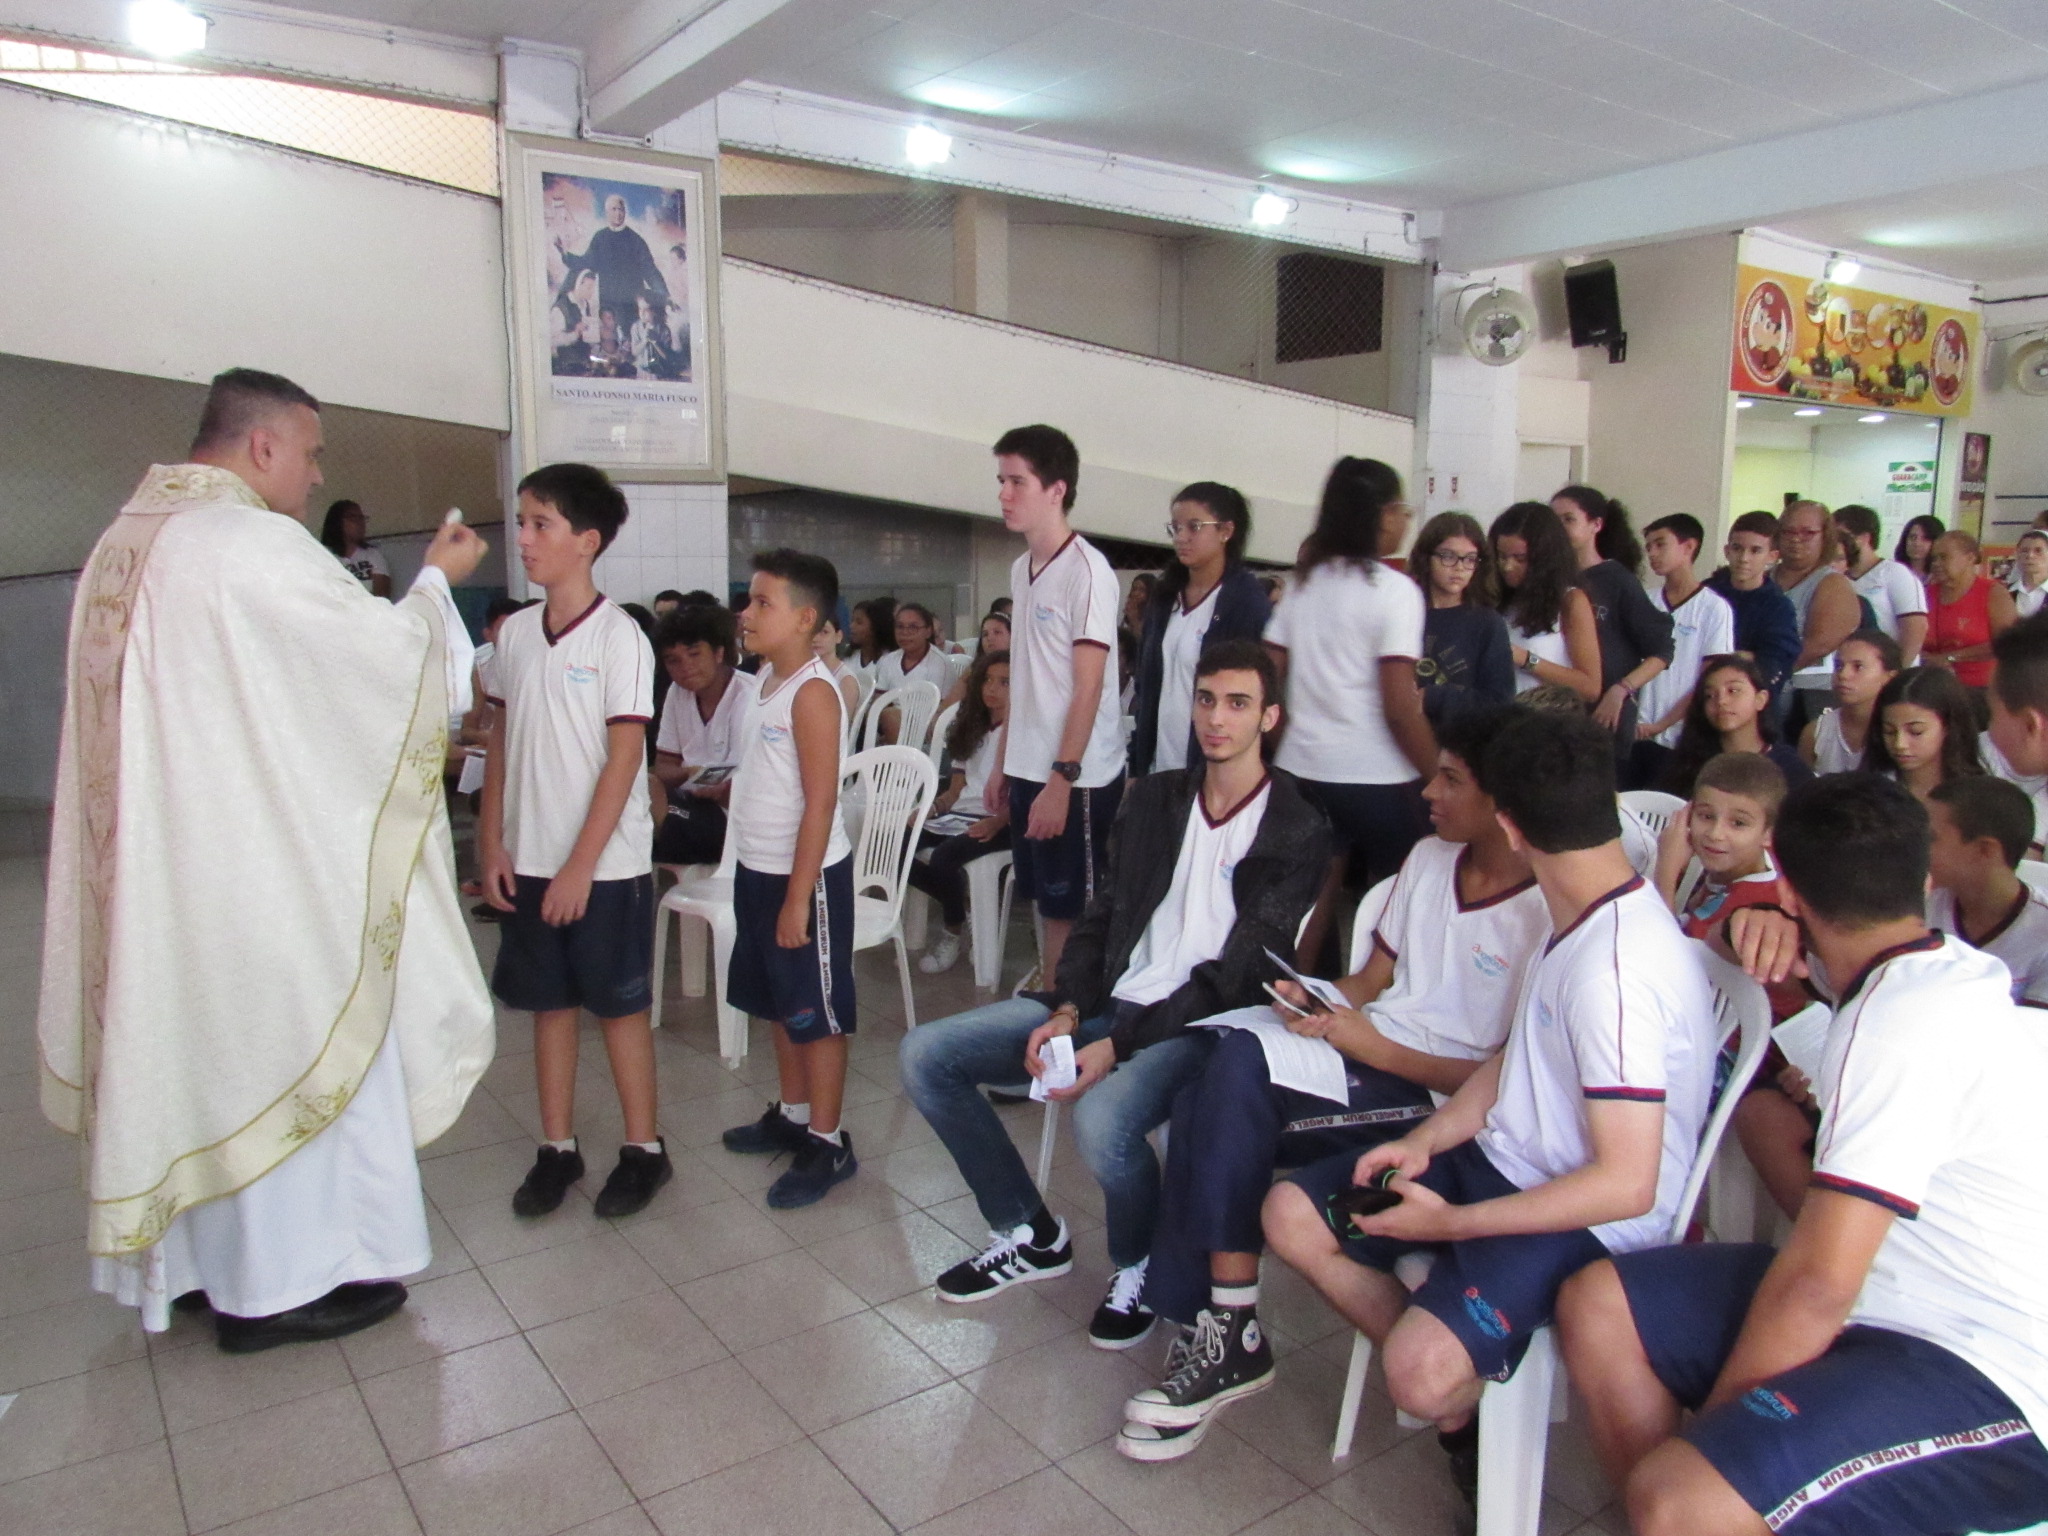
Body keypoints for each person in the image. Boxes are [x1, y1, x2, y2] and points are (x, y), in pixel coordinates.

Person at [41, 367, 495, 1349]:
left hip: (165, 883)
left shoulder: (124, 545)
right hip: (251, 881)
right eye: (311, 451)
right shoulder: (245, 545)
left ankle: (208, 1272)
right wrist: (436, 583)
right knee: (292, 1043)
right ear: (262, 447)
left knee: (196, 1062)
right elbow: (379, 669)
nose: (313, 472)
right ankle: (279, 1290)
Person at [1554, 773, 2048, 1536]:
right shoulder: (1926, 960)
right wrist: (1747, 930)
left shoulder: (1898, 1023)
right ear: (1922, 879)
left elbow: (1819, 1287)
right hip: (1886, 1302)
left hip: (1983, 1366)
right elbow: (1753, 946)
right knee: (1601, 1304)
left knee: (1680, 1494)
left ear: (1784, 888)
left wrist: (1723, 1437)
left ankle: (1695, 1511)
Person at [1261, 708, 1715, 1500]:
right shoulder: (1580, 907)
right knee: (1290, 1214)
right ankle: (1464, 1370)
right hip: (1501, 1158)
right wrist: (1429, 1141)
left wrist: (1452, 1225)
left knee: (1416, 1373)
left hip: (1586, 1214)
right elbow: (1516, 1062)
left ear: (1506, 823)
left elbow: (1626, 1185)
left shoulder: (1616, 970)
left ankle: (1454, 1383)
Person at [1118, 706, 1548, 1461]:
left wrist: (1368, 1039)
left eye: (1451, 780)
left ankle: (1222, 1323)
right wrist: (1320, 1002)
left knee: (1210, 1104)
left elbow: (1503, 1080)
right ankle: (1224, 1319)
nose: (1429, 792)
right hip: (1369, 1054)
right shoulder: (1427, 860)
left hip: (1438, 1105)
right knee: (1230, 1061)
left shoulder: (1545, 909)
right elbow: (1373, 977)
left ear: (1501, 801)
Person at [902, 640, 1329, 1345]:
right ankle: (1031, 1233)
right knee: (927, 1054)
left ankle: (1137, 1261)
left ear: (1270, 717)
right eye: (1207, 700)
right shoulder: (1158, 799)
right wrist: (1069, 1008)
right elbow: (1103, 916)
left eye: (1238, 704)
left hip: (1205, 1025)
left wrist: (1112, 1046)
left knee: (1101, 1122)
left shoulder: (1296, 829)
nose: (1216, 719)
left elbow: (1240, 973)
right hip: (1110, 999)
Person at [480, 466, 668, 1222]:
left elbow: (625, 759)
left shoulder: (622, 639)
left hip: (607, 869)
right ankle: (556, 1148)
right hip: (528, 862)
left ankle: (644, 1150)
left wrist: (580, 867)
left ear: (586, 542)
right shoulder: (517, 635)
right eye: (520, 522)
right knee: (547, 1008)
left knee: (619, 1012)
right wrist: (492, 843)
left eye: (540, 525)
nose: (522, 538)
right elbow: (498, 742)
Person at [716, 550, 861, 1209]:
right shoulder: (762, 681)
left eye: (761, 603)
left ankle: (829, 1142)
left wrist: (800, 897)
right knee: (779, 1001)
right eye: (748, 601)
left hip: (806, 881)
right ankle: (795, 1114)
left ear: (807, 619)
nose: (745, 614)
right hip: (759, 869)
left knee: (818, 1014)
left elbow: (821, 801)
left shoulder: (812, 693)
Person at [1265, 458, 1437, 964]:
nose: (1406, 522)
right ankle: (1384, 1020)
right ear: (1382, 516)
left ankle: (1295, 1011)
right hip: (1379, 777)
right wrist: (1437, 776)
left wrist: (1290, 741)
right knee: (1405, 905)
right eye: (1402, 509)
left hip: (1301, 770)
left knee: (1309, 906)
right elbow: (1400, 707)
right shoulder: (1396, 591)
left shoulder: (1303, 585)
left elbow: (1267, 675)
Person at [987, 425, 1129, 988]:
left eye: (1017, 481)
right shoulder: (1021, 571)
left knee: (1079, 915)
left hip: (1077, 777)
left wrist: (1061, 779)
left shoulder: (1088, 571)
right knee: (1049, 907)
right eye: (1000, 480)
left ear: (1056, 490)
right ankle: (1052, 1020)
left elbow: (1089, 686)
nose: (1003, 493)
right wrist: (1005, 759)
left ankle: (1070, 1037)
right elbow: (1024, 676)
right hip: (1030, 767)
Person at [1129, 482, 1272, 776]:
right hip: (1158, 768)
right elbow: (1147, 687)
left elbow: (1251, 695)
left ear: (1225, 531)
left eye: (1194, 527)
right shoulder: (1165, 598)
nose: (1181, 537)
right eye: (1175, 528)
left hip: (1211, 771)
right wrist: (1137, 764)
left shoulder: (1244, 602)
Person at [1552, 487, 1674, 766]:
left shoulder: (1617, 580)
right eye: (1553, 521)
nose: (1559, 529)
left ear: (1596, 525)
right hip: (1558, 715)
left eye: (1568, 520)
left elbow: (1662, 648)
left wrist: (1621, 689)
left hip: (1603, 719)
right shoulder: (1549, 579)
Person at [909, 648, 1012, 975]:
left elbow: (1027, 795)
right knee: (898, 846)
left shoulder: (1025, 731)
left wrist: (997, 821)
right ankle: (966, 907)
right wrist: (931, 809)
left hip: (1003, 820)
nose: (991, 689)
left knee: (944, 858)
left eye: (1004, 682)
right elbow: (955, 791)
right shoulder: (971, 724)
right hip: (962, 814)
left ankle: (952, 929)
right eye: (987, 680)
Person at [1927, 775, 2048, 1007]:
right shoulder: (1920, 904)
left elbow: (2037, 1035)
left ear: (1984, 850)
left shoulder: (2042, 934)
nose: (1918, 847)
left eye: (1931, 838)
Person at [1635, 513, 1737, 788]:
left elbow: (1709, 679)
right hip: (1637, 732)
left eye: (1660, 544)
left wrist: (1664, 723)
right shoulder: (1646, 600)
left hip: (1681, 737)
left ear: (1688, 547)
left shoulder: (1714, 608)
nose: (1652, 554)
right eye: (1649, 548)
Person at [651, 603, 756, 867]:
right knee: (641, 790)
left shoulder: (750, 696)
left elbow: (750, 785)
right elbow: (664, 766)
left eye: (694, 654)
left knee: (641, 819)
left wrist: (716, 789)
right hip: (690, 803)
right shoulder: (677, 693)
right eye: (672, 660)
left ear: (719, 652)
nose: (685, 667)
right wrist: (689, 774)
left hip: (737, 819)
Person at [1409, 511, 1515, 727]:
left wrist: (1433, 697)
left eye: (1470, 559)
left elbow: (1500, 701)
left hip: (1458, 742)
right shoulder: (1404, 611)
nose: (1459, 567)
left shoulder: (1487, 623)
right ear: (1426, 557)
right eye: (1448, 556)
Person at [1490, 500, 1601, 702]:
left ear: (1543, 558)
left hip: (1545, 722)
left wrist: (1524, 659)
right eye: (1502, 556)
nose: (1507, 566)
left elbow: (1590, 687)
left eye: (1520, 558)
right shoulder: (1496, 598)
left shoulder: (1571, 601)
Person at [1660, 654, 1813, 798]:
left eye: (1733, 691)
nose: (1721, 701)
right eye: (1710, 696)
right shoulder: (1688, 764)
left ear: (1761, 699)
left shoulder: (1787, 767)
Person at [1773, 500, 1862, 735]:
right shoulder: (1763, 577)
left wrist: (1765, 672)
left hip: (1810, 699)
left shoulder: (1833, 583)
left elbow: (1818, 644)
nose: (1796, 539)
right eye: (1789, 531)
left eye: (1808, 533)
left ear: (1825, 537)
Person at [1705, 512, 1802, 702]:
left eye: (1755, 550)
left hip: (1752, 705)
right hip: (1702, 698)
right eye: (1737, 548)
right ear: (1727, 551)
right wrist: (1742, 656)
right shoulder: (1706, 594)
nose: (1744, 558)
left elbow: (1771, 664)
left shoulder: (1778, 607)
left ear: (1772, 556)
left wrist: (1724, 657)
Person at [1863, 664, 1984, 803]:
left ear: (1948, 726)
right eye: (1889, 732)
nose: (1900, 744)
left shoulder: (1977, 796)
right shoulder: (1871, 794)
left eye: (1915, 732)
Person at [558, 192, 669, 343]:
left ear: (625, 212)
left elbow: (649, 269)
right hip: (608, 302)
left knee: (630, 343)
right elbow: (587, 262)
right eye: (614, 209)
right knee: (610, 342)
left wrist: (663, 294)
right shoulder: (600, 238)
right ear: (607, 212)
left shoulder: (635, 240)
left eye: (620, 209)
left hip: (630, 302)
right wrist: (564, 253)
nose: (618, 213)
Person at [1830, 503, 1926, 663]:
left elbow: (1916, 629)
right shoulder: (1837, 576)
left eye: (1842, 535)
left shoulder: (1894, 573)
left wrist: (1896, 672)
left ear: (1864, 538)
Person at [1797, 629, 1900, 774]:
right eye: (1839, 666)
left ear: (1890, 677)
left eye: (1858, 667)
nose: (1843, 675)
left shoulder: (1902, 734)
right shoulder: (1815, 733)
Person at [1925, 530, 2017, 689]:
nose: (1936, 563)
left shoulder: (1993, 592)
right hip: (1932, 686)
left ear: (1970, 558)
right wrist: (1928, 659)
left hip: (1981, 689)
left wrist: (1951, 657)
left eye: (1944, 557)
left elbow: (2008, 643)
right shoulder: (1924, 593)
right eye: (1934, 558)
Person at [871, 601, 950, 743]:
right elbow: (879, 703)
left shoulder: (940, 664)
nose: (905, 633)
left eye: (913, 627)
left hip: (928, 729)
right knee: (888, 715)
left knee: (891, 716)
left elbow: (941, 710)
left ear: (928, 631)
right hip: (890, 726)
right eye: (900, 627)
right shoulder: (887, 661)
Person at [319, 497, 391, 597]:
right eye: (353, 518)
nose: (360, 523)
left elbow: (382, 595)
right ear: (337, 522)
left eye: (362, 518)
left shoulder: (373, 555)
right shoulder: (323, 555)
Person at [809, 615, 862, 718]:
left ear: (838, 636)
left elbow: (841, 724)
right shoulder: (806, 671)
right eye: (811, 632)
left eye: (824, 632)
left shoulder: (846, 680)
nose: (815, 638)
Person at [1894, 510, 1945, 580]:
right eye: (1913, 537)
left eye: (1925, 538)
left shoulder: (1941, 578)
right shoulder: (1894, 572)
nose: (1917, 543)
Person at [848, 596, 896, 670]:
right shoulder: (850, 659)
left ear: (875, 626)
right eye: (852, 620)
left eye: (859, 622)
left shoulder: (889, 660)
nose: (852, 626)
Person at [2012, 530, 2048, 618]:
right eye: (2024, 551)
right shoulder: (2003, 593)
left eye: (2038, 551)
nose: (2030, 555)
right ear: (2017, 555)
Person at [1123, 571, 1159, 638]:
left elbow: (1144, 640)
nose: (1136, 593)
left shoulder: (1155, 616)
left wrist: (1133, 619)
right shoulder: (1132, 610)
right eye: (1134, 589)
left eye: (1142, 590)